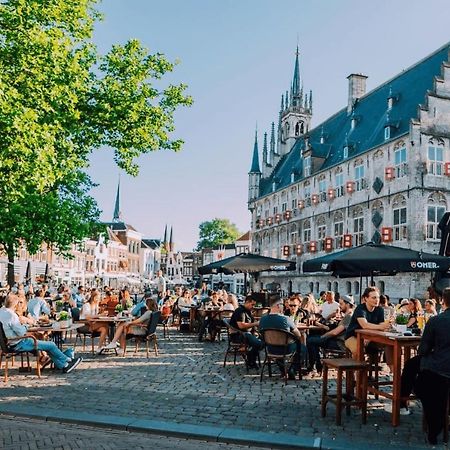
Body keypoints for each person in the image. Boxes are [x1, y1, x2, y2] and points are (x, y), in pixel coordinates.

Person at [386, 288, 450, 444]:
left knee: (412, 369)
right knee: (412, 366)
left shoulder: (436, 321)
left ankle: (402, 401)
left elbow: (423, 349)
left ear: (443, 301)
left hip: (439, 367)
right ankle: (403, 401)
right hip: (442, 364)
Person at [0, 294, 82, 373]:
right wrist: (25, 326)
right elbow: (21, 332)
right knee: (51, 345)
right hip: (18, 343)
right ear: (15, 305)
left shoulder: (1, 311)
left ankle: (63, 365)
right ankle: (67, 360)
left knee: (47, 346)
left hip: (7, 343)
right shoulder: (11, 315)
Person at [307, 295, 355, 374]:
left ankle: (315, 366)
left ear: (348, 304)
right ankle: (317, 365)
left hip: (340, 343)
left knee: (311, 340)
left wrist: (323, 336)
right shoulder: (347, 316)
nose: (339, 306)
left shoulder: (349, 317)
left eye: (341, 304)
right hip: (338, 340)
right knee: (313, 340)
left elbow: (335, 332)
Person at [259, 297, 305, 379]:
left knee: (281, 346)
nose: (284, 306)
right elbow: (298, 335)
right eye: (282, 305)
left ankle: (283, 370)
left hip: (270, 349)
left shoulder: (262, 320)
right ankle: (292, 369)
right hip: (286, 349)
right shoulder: (286, 319)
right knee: (302, 347)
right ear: (278, 306)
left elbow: (261, 336)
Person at [344, 287, 391, 364]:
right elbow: (364, 325)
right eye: (374, 298)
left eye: (378, 297)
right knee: (358, 349)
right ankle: (357, 373)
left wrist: (370, 337)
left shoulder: (380, 310)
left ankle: (393, 372)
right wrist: (381, 327)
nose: (377, 300)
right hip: (352, 336)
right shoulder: (360, 308)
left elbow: (382, 326)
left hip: (371, 337)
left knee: (391, 344)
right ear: (366, 298)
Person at [229, 295, 263, 369]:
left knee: (264, 339)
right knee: (258, 344)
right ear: (247, 302)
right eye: (252, 304)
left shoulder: (248, 311)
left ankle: (251, 359)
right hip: (238, 335)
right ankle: (251, 360)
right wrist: (255, 324)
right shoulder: (240, 311)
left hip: (247, 334)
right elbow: (241, 325)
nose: (253, 306)